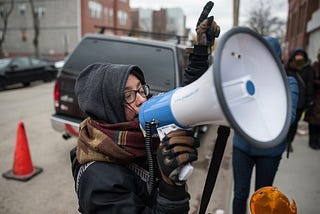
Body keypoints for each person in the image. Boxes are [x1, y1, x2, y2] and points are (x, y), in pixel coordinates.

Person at [70, 2, 220, 213]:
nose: (142, 99)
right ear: (106, 108)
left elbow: (184, 101)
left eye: (141, 89)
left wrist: (200, 51)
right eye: (128, 95)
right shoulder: (98, 181)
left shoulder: (139, 135)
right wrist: (170, 188)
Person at [231, 36, 299, 214]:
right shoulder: (247, 79)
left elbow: (288, 117)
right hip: (242, 147)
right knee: (239, 195)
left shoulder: (289, 83)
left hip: (269, 152)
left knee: (264, 199)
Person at [285, 48, 314, 151]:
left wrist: (309, 101)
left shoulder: (308, 70)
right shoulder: (287, 69)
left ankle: (289, 142)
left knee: (293, 125)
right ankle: (284, 141)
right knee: (286, 123)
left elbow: (310, 86)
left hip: (300, 103)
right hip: (287, 101)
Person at [304, 48, 320, 149]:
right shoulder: (315, 66)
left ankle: (317, 141)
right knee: (313, 122)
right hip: (315, 98)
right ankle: (312, 141)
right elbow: (311, 81)